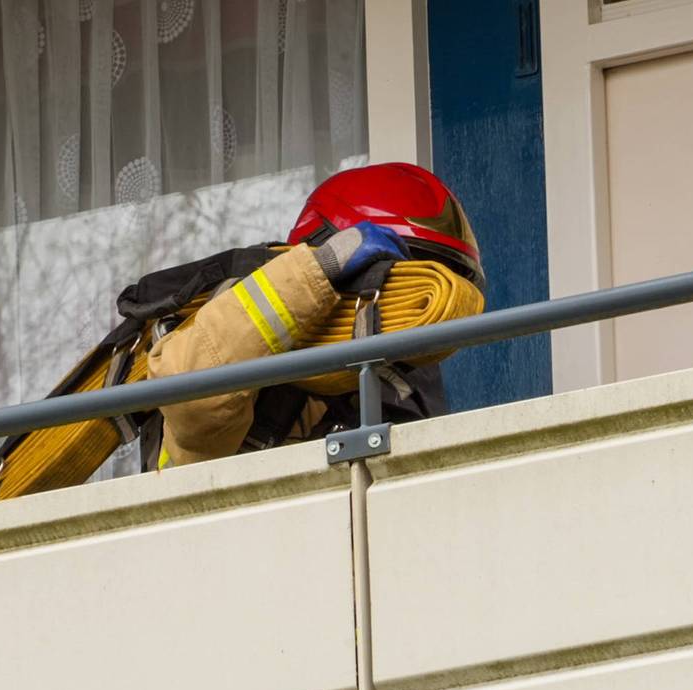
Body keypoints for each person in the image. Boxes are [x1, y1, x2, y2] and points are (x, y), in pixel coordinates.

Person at [137, 162, 485, 470]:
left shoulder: (404, 385)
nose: (404, 296)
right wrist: (317, 270)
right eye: (391, 279)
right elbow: (192, 396)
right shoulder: (251, 378)